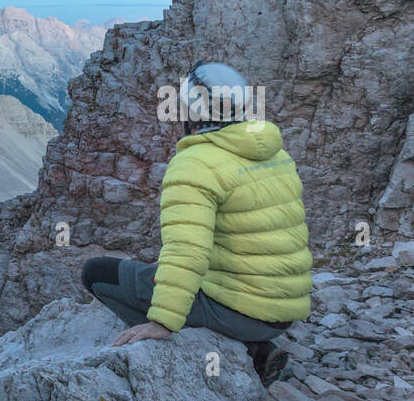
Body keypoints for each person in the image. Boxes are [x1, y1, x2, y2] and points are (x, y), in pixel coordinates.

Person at [81, 62, 312, 384]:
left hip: (242, 311)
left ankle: (239, 352)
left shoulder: (194, 163)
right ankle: (260, 345)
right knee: (158, 273)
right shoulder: (276, 152)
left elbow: (187, 252)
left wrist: (163, 321)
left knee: (97, 273)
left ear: (193, 113)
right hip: (286, 309)